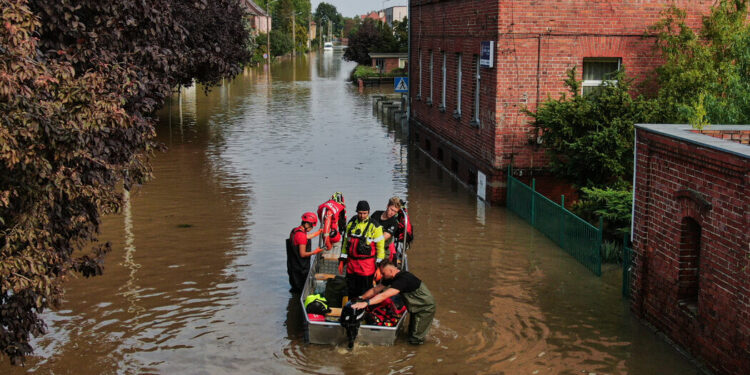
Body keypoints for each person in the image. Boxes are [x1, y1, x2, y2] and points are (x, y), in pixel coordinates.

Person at [352, 261, 436, 345]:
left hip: (425, 308)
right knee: (411, 332)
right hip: (415, 306)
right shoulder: (390, 277)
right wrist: (361, 298)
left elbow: (384, 295)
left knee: (415, 338)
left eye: (383, 273)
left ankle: (416, 351)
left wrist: (366, 303)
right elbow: (375, 290)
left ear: (391, 271)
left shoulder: (403, 280)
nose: (381, 275)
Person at [339, 200, 385, 300]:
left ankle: (364, 310)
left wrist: (379, 269)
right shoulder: (351, 223)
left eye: (364, 213)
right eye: (360, 213)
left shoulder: (375, 226)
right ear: (357, 212)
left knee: (365, 292)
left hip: (366, 267)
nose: (362, 215)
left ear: (368, 212)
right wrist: (342, 261)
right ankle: (351, 308)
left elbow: (380, 250)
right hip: (351, 265)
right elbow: (345, 243)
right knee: (351, 290)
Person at [286, 212, 324, 293]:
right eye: (312, 226)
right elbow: (302, 254)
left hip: (292, 267)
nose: (312, 229)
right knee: (301, 291)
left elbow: (303, 237)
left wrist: (317, 233)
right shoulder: (302, 236)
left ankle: (293, 303)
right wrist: (314, 252)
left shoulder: (295, 230)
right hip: (300, 270)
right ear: (307, 224)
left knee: (294, 289)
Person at [370, 197, 401, 262]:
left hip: (383, 251)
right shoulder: (376, 214)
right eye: (391, 209)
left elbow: (383, 238)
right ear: (387, 206)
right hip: (370, 247)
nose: (392, 213)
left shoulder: (394, 223)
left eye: (395, 211)